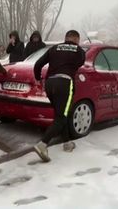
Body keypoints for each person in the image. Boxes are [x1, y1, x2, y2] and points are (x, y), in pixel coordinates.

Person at [33, 30, 86, 162]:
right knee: (61, 117)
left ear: (66, 37)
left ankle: (67, 143)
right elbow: (80, 63)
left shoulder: (54, 48)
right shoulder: (78, 50)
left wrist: (38, 78)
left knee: (61, 114)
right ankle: (42, 144)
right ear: (76, 39)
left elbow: (38, 64)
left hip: (50, 83)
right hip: (65, 83)